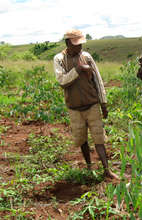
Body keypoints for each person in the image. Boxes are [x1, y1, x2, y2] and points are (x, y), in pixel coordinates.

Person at [53, 29, 118, 179]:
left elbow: (98, 81)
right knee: (82, 139)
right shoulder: (59, 59)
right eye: (76, 44)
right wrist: (79, 69)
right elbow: (62, 81)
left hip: (92, 105)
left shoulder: (86, 56)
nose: (80, 47)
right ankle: (89, 167)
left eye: (81, 44)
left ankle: (107, 170)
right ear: (68, 43)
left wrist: (103, 104)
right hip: (74, 108)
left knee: (99, 139)